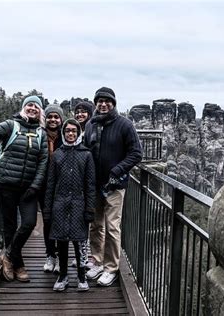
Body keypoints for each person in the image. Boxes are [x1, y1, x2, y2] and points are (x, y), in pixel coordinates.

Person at [0, 94, 48, 283]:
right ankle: (18, 264)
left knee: (29, 223)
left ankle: (8, 256)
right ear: (24, 107)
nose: (33, 108)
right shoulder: (11, 125)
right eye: (29, 105)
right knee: (10, 227)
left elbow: (43, 162)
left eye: (36, 106)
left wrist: (35, 185)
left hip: (28, 188)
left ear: (40, 112)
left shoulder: (41, 133)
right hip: (6, 184)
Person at [84, 87, 142, 286]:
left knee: (112, 227)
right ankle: (97, 261)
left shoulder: (124, 124)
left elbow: (136, 153)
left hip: (115, 186)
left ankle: (111, 268)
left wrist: (117, 170)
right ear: (96, 103)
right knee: (96, 225)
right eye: (99, 101)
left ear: (113, 103)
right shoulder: (91, 125)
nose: (103, 104)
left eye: (107, 101)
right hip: (95, 184)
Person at [43, 118, 96, 292]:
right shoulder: (57, 154)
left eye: (74, 130)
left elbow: (90, 185)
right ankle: (63, 276)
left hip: (79, 205)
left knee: (80, 243)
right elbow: (50, 184)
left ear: (79, 132)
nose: (71, 134)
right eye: (67, 131)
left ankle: (81, 277)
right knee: (62, 243)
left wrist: (89, 209)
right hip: (60, 205)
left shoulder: (86, 154)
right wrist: (48, 210)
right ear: (63, 133)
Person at [39, 105, 64, 273]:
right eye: (50, 117)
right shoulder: (39, 136)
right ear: (45, 119)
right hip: (43, 185)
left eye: (56, 117)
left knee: (61, 221)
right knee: (48, 220)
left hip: (62, 186)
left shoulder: (66, 136)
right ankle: (50, 255)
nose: (53, 120)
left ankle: (61, 257)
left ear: (61, 119)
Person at [70, 100, 94, 269]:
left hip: (88, 180)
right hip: (73, 181)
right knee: (78, 220)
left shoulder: (93, 130)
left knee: (88, 221)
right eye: (77, 111)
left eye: (83, 111)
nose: (80, 114)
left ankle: (86, 256)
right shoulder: (73, 130)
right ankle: (80, 255)